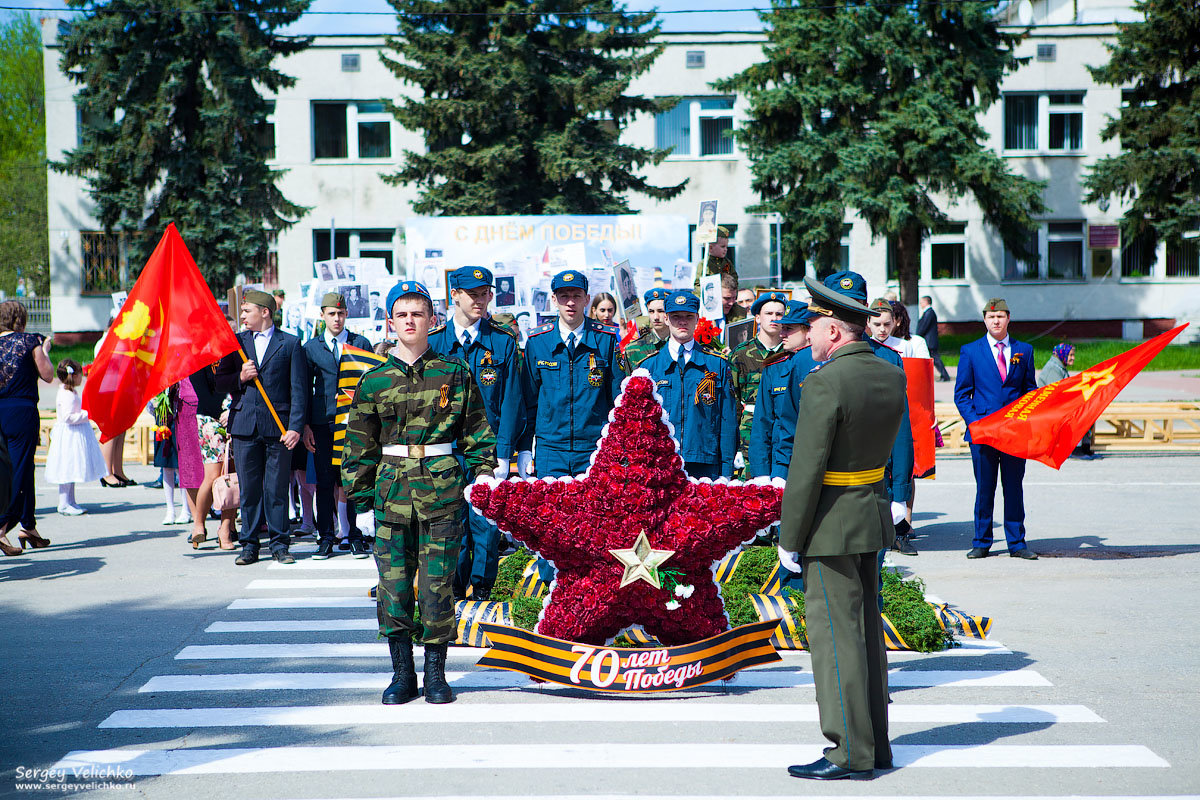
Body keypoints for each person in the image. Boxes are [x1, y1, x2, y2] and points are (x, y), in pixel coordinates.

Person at [342, 280, 496, 705]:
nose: (411, 321)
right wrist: (360, 504)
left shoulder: (454, 372)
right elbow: (359, 446)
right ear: (391, 322)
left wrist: (482, 476)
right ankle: (401, 674)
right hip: (390, 496)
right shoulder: (373, 380)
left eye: (418, 314)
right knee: (392, 587)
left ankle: (435, 673)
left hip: (442, 494)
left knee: (437, 585)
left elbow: (478, 433)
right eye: (402, 314)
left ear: (433, 320)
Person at [778, 274, 906, 781]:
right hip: (869, 512)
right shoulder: (888, 372)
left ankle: (848, 751)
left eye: (812, 327)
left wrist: (790, 538)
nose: (807, 335)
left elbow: (806, 469)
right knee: (868, 636)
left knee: (835, 640)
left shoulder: (825, 381)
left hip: (829, 524)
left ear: (834, 330)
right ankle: (875, 745)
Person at [428, 266, 523, 600]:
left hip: (487, 448)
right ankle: (453, 586)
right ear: (455, 295)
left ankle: (482, 586)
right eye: (472, 294)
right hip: (445, 448)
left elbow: (512, 400)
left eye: (485, 294)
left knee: (484, 523)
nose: (480, 301)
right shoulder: (436, 342)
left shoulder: (502, 342)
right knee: (449, 520)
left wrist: (506, 451)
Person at [822, 272, 916, 556]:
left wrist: (900, 492)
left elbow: (901, 430)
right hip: (824, 485)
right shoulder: (810, 358)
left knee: (871, 568)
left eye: (854, 305)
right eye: (840, 306)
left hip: (874, 480)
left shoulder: (888, 359)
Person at [214, 289, 308, 566]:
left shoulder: (290, 344)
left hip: (278, 429)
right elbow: (219, 382)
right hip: (245, 426)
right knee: (250, 489)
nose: (242, 316)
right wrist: (240, 377)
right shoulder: (236, 343)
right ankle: (250, 545)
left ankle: (280, 544)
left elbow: (299, 390)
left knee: (276, 489)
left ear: (264, 312)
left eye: (247, 311)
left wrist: (295, 428)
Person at [518, 269, 625, 480]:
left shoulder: (606, 340)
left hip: (595, 449)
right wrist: (524, 448)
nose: (570, 302)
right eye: (564, 296)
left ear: (586, 299)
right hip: (551, 450)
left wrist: (619, 447)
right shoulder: (538, 342)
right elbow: (528, 401)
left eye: (576, 296)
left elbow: (618, 402)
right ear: (553, 299)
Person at [954, 298, 1038, 560]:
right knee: (985, 488)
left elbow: (1030, 390)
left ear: (1008, 318)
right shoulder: (971, 351)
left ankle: (1017, 543)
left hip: (1014, 433)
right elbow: (962, 394)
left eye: (1000, 316)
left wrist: (1026, 416)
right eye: (991, 317)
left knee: (1014, 487)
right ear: (984, 320)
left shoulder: (1023, 350)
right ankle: (981, 542)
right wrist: (976, 422)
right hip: (983, 433)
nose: (996, 321)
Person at [302, 293, 372, 560]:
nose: (337, 319)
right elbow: (304, 390)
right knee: (324, 481)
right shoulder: (311, 348)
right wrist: (306, 425)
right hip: (322, 424)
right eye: (332, 314)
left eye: (341, 314)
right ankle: (326, 537)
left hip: (353, 424)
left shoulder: (359, 343)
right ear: (323, 315)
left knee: (352, 480)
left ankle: (355, 537)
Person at [643, 290, 737, 479]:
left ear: (697, 319)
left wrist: (726, 471)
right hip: (661, 463)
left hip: (704, 463)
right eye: (676, 317)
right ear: (667, 319)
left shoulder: (716, 364)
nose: (682, 322)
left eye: (688, 316)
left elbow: (728, 420)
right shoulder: (649, 367)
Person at [0, 299, 55, 554]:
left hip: (1, 410)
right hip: (22, 411)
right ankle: (1, 529)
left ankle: (28, 526)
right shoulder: (29, 340)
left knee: (20, 467)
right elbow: (47, 375)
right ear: (19, 319)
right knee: (19, 469)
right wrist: (44, 349)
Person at [749, 301, 819, 480]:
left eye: (789, 328)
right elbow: (762, 424)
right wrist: (762, 474)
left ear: (808, 330)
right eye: (781, 328)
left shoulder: (824, 365)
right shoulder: (774, 368)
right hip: (781, 466)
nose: (782, 334)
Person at [730, 290, 788, 469]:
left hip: (783, 435)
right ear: (757, 318)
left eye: (779, 314)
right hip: (749, 436)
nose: (774, 318)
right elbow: (733, 404)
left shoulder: (791, 354)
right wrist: (734, 447)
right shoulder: (740, 354)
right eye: (768, 314)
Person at [44, 359, 106, 516]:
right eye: (81, 375)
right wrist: (87, 414)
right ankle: (64, 503)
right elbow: (67, 417)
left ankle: (70, 501)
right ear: (74, 375)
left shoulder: (70, 392)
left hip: (74, 433)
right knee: (67, 467)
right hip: (69, 435)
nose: (82, 378)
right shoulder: (67, 395)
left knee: (72, 468)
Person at [186, 366, 237, 549]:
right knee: (213, 474)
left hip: (235, 415)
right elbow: (202, 394)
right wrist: (222, 414)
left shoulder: (236, 351)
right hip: (209, 419)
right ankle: (199, 523)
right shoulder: (200, 357)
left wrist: (232, 411)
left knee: (231, 475)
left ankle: (225, 529)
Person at [94, 316, 136, 488]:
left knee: (120, 431)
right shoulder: (105, 342)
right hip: (109, 391)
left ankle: (117, 470)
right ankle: (107, 473)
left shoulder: (119, 342)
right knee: (111, 432)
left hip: (120, 390)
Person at [1038, 343, 1096, 458]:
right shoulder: (1053, 370)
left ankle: (1085, 447)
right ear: (1062, 354)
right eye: (1070, 355)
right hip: (1050, 410)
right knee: (1080, 414)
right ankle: (1076, 449)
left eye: (1073, 355)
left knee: (1089, 410)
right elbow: (1058, 395)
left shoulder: (1059, 367)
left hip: (1058, 407)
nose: (1073, 358)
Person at [624, 288, 670, 369]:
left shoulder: (680, 345)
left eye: (661, 311)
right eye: (651, 311)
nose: (656, 317)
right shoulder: (633, 349)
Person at [916, 295, 951, 381]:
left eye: (921, 302)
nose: (920, 304)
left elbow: (924, 326)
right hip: (929, 341)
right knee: (933, 359)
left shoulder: (929, 312)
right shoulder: (928, 312)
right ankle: (943, 375)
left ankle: (945, 376)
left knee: (935, 359)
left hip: (930, 341)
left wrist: (917, 335)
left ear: (926, 302)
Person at [694, 224, 738, 290]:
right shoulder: (704, 264)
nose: (726, 249)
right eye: (722, 246)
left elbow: (735, 279)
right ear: (710, 248)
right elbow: (698, 284)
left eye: (726, 247)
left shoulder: (727, 263)